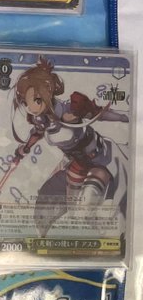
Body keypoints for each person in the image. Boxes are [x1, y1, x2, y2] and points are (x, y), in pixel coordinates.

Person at [10, 59, 129, 237]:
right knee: (70, 210)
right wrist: (23, 150)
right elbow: (37, 133)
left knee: (87, 208)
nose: (30, 108)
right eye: (25, 103)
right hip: (78, 165)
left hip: (102, 160)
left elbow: (100, 114)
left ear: (48, 91)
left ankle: (109, 235)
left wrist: (126, 117)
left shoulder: (72, 107)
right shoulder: (42, 119)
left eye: (35, 100)